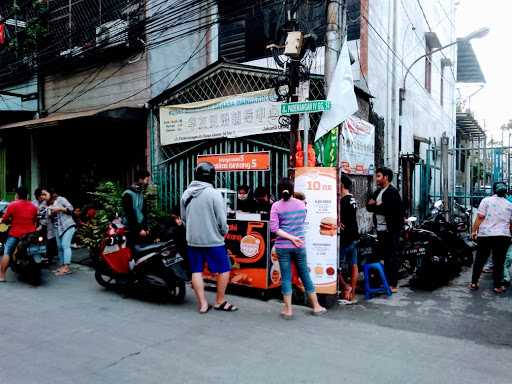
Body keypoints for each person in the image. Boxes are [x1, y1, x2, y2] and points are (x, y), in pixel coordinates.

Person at [181, 162, 238, 314]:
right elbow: (222, 220)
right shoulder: (214, 194)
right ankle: (219, 301)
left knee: (196, 271)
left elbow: (184, 218)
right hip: (213, 240)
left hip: (193, 240)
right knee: (224, 269)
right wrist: (223, 232)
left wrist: (193, 230)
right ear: (212, 176)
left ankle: (203, 304)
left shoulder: (186, 194)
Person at [270, 177, 326, 319]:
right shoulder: (301, 205)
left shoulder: (275, 206)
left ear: (278, 190)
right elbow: (301, 221)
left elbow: (274, 229)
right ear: (292, 189)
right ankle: (317, 306)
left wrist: (289, 238)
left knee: (286, 277)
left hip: (282, 247)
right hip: (299, 245)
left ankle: (288, 310)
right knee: (305, 275)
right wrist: (294, 238)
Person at [470, 181, 512, 294]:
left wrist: (474, 231)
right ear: (506, 191)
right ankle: (498, 286)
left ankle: (474, 283)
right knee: (499, 262)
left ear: (493, 190)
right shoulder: (509, 205)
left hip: (485, 235)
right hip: (503, 236)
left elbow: (480, 217)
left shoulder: (486, 201)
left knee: (480, 259)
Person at [366, 167, 404, 292]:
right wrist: (378, 205)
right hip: (381, 230)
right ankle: (385, 281)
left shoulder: (392, 192)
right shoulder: (378, 192)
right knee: (384, 257)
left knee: (392, 257)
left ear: (386, 177)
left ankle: (393, 284)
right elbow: (368, 207)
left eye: (378, 176)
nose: (376, 179)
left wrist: (377, 206)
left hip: (391, 230)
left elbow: (388, 210)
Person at [0, 187, 38, 282]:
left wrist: (3, 221)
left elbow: (4, 219)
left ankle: (2, 276)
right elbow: (34, 220)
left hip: (15, 233)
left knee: (7, 251)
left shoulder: (12, 205)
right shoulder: (33, 207)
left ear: (17, 195)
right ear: (27, 195)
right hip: (30, 233)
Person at [338, 174, 359, 304]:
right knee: (354, 265)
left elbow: (340, 221)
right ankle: (353, 294)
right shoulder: (352, 199)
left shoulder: (342, 201)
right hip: (354, 236)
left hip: (345, 237)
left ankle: (346, 287)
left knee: (336, 267)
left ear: (342, 185)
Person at [46, 189, 77, 276]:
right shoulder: (48, 205)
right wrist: (50, 214)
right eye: (42, 195)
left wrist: (60, 208)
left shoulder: (60, 199)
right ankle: (62, 266)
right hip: (57, 228)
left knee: (65, 245)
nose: (43, 197)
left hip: (67, 225)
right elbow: (52, 218)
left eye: (45, 194)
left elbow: (71, 209)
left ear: (50, 194)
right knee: (59, 247)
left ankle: (66, 267)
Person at [122, 170, 150, 251]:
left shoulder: (141, 194)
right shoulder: (127, 194)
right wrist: (139, 229)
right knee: (133, 252)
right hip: (131, 229)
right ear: (140, 180)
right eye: (146, 180)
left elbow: (144, 212)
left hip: (140, 228)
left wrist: (145, 228)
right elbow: (129, 214)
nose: (147, 183)